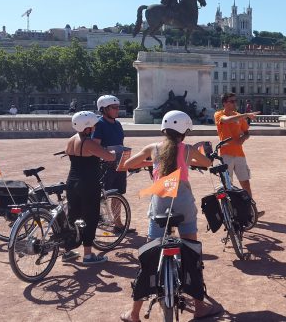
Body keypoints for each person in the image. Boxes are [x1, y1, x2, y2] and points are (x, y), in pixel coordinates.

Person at [120, 111, 223, 322]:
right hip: (183, 203)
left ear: (164, 129)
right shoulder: (188, 149)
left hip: (160, 204)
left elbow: (128, 164)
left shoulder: (153, 148)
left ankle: (134, 313)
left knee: (148, 258)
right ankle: (200, 307)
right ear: (184, 132)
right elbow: (206, 163)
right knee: (192, 254)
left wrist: (151, 164)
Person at [64, 111, 116, 265]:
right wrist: (113, 152)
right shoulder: (88, 142)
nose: (94, 128)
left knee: (72, 216)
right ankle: (88, 255)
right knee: (90, 216)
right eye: (92, 126)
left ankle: (67, 250)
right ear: (86, 127)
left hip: (72, 182)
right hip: (88, 183)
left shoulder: (70, 140)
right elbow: (109, 157)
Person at [92, 95, 136, 234]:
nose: (118, 110)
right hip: (105, 166)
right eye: (114, 107)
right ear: (104, 109)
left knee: (118, 194)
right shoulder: (99, 124)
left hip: (119, 163)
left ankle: (118, 224)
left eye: (118, 107)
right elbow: (95, 146)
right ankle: (101, 221)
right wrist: (107, 153)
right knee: (105, 195)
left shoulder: (117, 124)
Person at [214, 93, 260, 206]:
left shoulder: (239, 116)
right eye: (232, 101)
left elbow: (247, 133)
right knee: (227, 185)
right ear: (224, 103)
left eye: (235, 101)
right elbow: (227, 120)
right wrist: (246, 115)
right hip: (225, 154)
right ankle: (229, 211)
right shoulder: (219, 114)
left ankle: (250, 209)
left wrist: (243, 139)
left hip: (239, 154)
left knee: (245, 183)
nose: (235, 103)